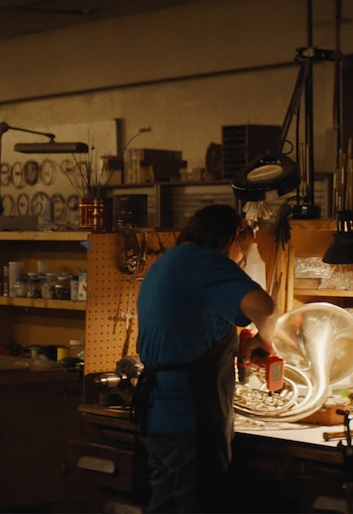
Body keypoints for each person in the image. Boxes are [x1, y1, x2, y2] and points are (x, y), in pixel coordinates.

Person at [135, 204, 298, 513]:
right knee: (196, 502)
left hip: (159, 411)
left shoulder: (169, 260)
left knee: (166, 503)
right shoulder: (206, 261)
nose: (240, 262)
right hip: (190, 412)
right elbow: (265, 309)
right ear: (234, 235)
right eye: (243, 251)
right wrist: (266, 340)